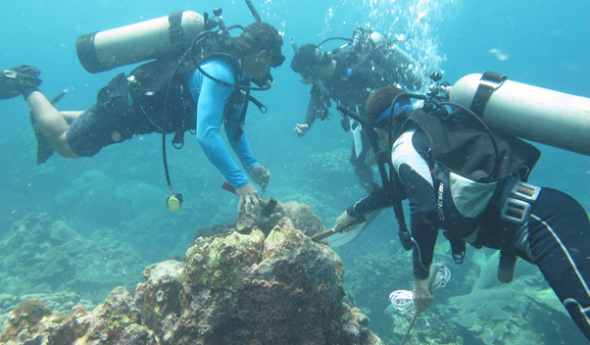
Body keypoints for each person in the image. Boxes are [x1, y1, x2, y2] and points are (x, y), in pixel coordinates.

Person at [333, 86, 590, 340]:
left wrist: (420, 280)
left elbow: (424, 210)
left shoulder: (404, 146)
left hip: (540, 224)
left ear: (378, 128)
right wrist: (352, 211)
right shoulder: (428, 130)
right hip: (545, 218)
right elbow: (395, 192)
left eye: (377, 136)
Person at [0, 22, 285, 215]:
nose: (269, 71)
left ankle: (55, 114)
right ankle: (26, 86)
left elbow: (233, 127)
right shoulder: (222, 73)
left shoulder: (238, 77)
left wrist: (251, 165)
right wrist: (239, 182)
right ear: (261, 54)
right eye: (271, 62)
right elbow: (207, 134)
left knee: (89, 123)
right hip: (126, 105)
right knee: (67, 146)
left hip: (140, 114)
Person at [290, 42, 407, 192]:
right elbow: (315, 98)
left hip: (390, 117)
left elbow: (391, 101)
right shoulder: (325, 78)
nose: (313, 83)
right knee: (358, 160)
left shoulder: (358, 71)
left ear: (317, 70)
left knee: (389, 154)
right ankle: (376, 193)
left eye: (311, 79)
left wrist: (377, 145)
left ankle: (402, 186)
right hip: (366, 116)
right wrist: (308, 123)